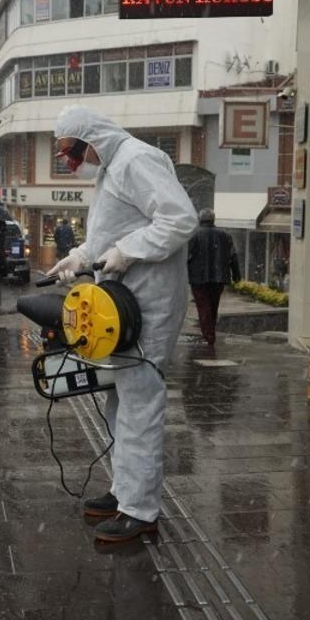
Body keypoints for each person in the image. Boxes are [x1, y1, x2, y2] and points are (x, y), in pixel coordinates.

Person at [47, 105, 198, 543]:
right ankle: (123, 491)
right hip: (121, 303)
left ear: (91, 138)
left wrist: (128, 251)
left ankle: (140, 511)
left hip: (147, 304)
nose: (74, 163)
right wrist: (79, 257)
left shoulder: (136, 159)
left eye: (74, 152)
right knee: (120, 401)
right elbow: (107, 234)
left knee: (139, 405)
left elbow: (180, 219)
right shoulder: (112, 167)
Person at [187, 208, 241, 346]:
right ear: (213, 219)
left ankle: (208, 336)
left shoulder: (194, 235)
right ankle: (209, 333)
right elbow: (233, 256)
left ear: (200, 219)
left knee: (203, 306)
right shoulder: (225, 235)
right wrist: (236, 275)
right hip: (219, 277)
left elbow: (186, 257)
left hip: (198, 277)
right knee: (212, 306)